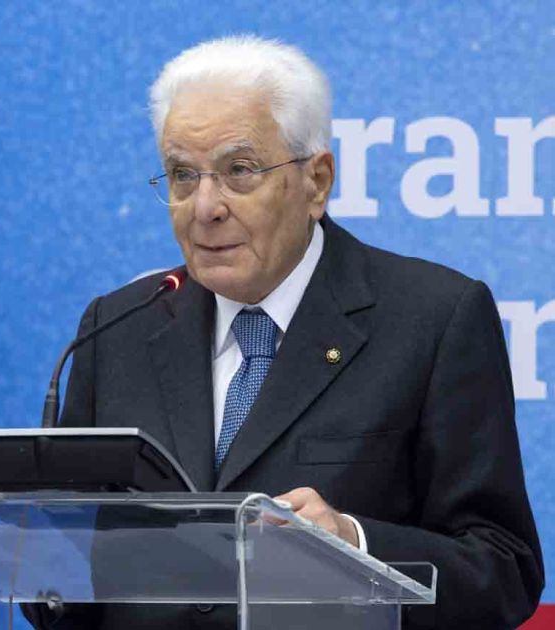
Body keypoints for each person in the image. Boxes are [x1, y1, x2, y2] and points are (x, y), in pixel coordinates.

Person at [28, 35, 543, 629]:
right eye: (182, 175)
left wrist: (352, 543)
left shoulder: (433, 319)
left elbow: (503, 570)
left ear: (316, 182)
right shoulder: (117, 328)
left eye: (239, 171)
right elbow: (64, 572)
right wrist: (37, 560)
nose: (205, 207)